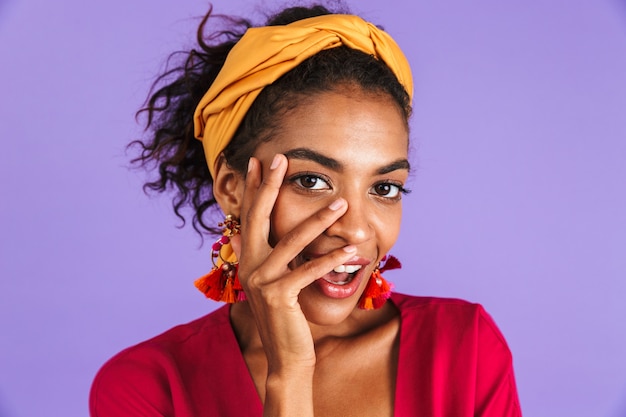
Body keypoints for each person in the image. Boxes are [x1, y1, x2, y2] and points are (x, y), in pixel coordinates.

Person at [89, 3, 522, 416]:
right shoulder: (146, 388)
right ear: (231, 187)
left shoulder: (465, 349)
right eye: (312, 181)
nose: (355, 230)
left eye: (384, 187)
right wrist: (291, 372)